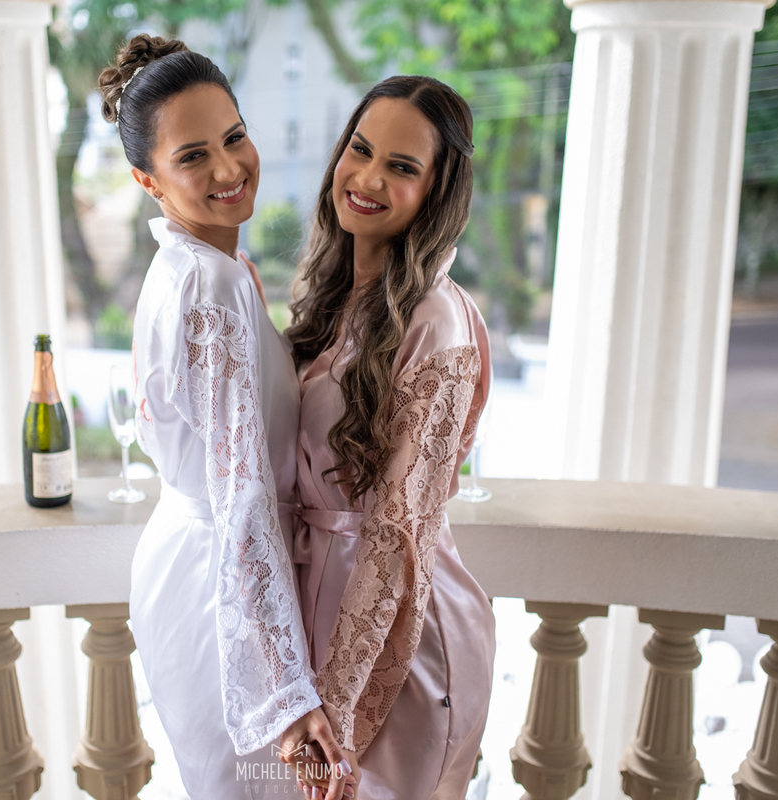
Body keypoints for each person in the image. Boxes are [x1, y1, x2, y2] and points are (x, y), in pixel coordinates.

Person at [99, 35, 351, 800]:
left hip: (198, 569)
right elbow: (241, 496)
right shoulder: (209, 285)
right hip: (219, 591)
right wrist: (287, 696)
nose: (228, 168)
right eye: (193, 156)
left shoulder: (207, 266)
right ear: (147, 181)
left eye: (234, 137)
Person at [285, 75, 496, 799]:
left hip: (400, 640)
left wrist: (340, 707)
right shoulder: (336, 292)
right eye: (361, 149)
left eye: (401, 166)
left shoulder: (436, 320)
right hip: (322, 607)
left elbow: (398, 533)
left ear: (437, 190)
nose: (368, 178)